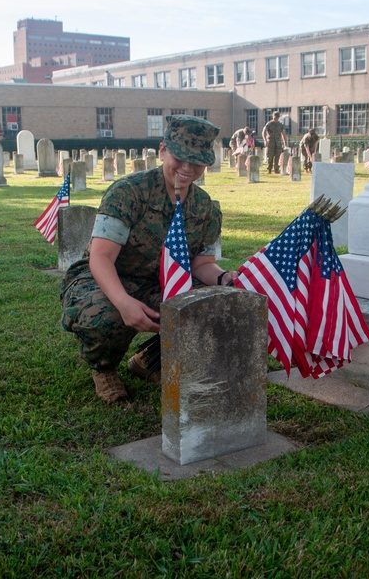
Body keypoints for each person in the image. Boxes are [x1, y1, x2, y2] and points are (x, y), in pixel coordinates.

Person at [60, 115, 238, 404]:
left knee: (212, 307)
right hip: (104, 278)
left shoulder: (205, 208)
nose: (187, 168)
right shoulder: (129, 193)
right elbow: (101, 257)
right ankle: (104, 369)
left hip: (160, 282)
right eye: (181, 157)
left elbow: (202, 264)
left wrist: (222, 278)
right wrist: (124, 302)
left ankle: (149, 360)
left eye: (198, 161)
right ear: (163, 150)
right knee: (107, 317)